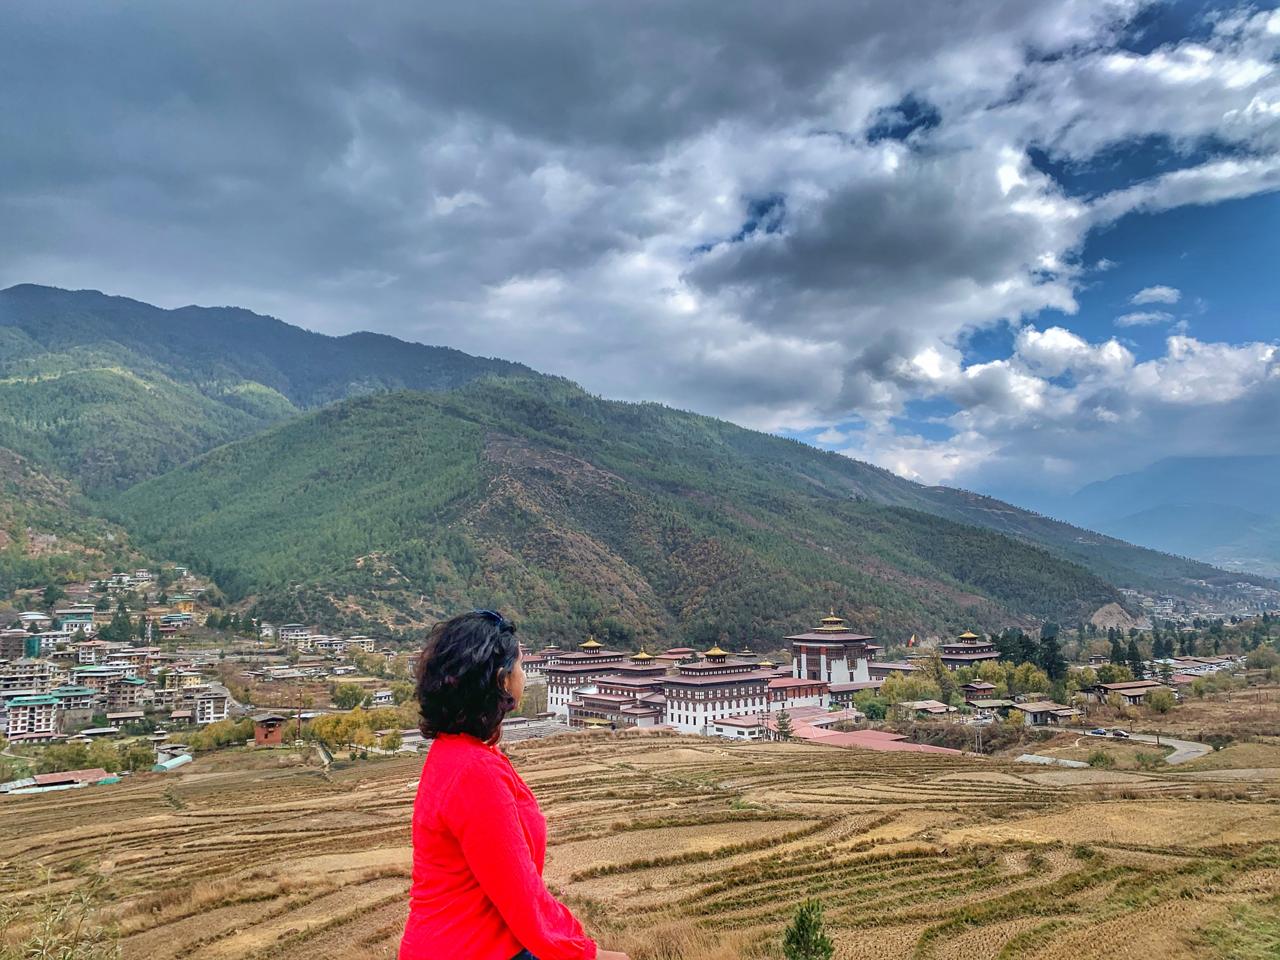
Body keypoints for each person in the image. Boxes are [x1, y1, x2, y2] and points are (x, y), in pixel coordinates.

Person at [400, 610, 631, 960]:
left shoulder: (458, 752)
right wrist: (588, 954)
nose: (524, 674)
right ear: (501, 679)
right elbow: (520, 896)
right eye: (521, 665)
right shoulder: (474, 773)